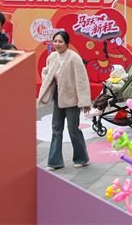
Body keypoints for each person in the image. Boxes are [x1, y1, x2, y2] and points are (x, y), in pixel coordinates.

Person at [37, 31, 91, 170]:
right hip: (58, 97)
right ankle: (54, 162)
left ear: (67, 43)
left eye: (60, 42)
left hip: (72, 99)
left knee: (73, 129)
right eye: (55, 41)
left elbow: (82, 80)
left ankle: (82, 158)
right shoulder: (52, 57)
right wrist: (47, 81)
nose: (57, 44)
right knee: (56, 129)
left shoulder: (74, 58)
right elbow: (46, 71)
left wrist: (84, 102)